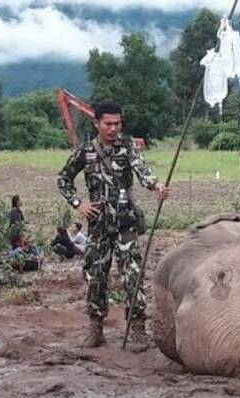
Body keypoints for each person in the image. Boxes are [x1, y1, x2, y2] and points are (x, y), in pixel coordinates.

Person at [57, 100, 171, 349]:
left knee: (133, 276)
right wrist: (79, 203)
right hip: (98, 227)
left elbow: (143, 171)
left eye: (117, 124)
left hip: (125, 224)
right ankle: (95, 328)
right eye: (108, 124)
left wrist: (157, 187)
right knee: (96, 277)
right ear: (96, 123)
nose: (113, 129)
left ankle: (138, 329)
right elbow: (64, 178)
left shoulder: (128, 147)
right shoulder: (85, 151)